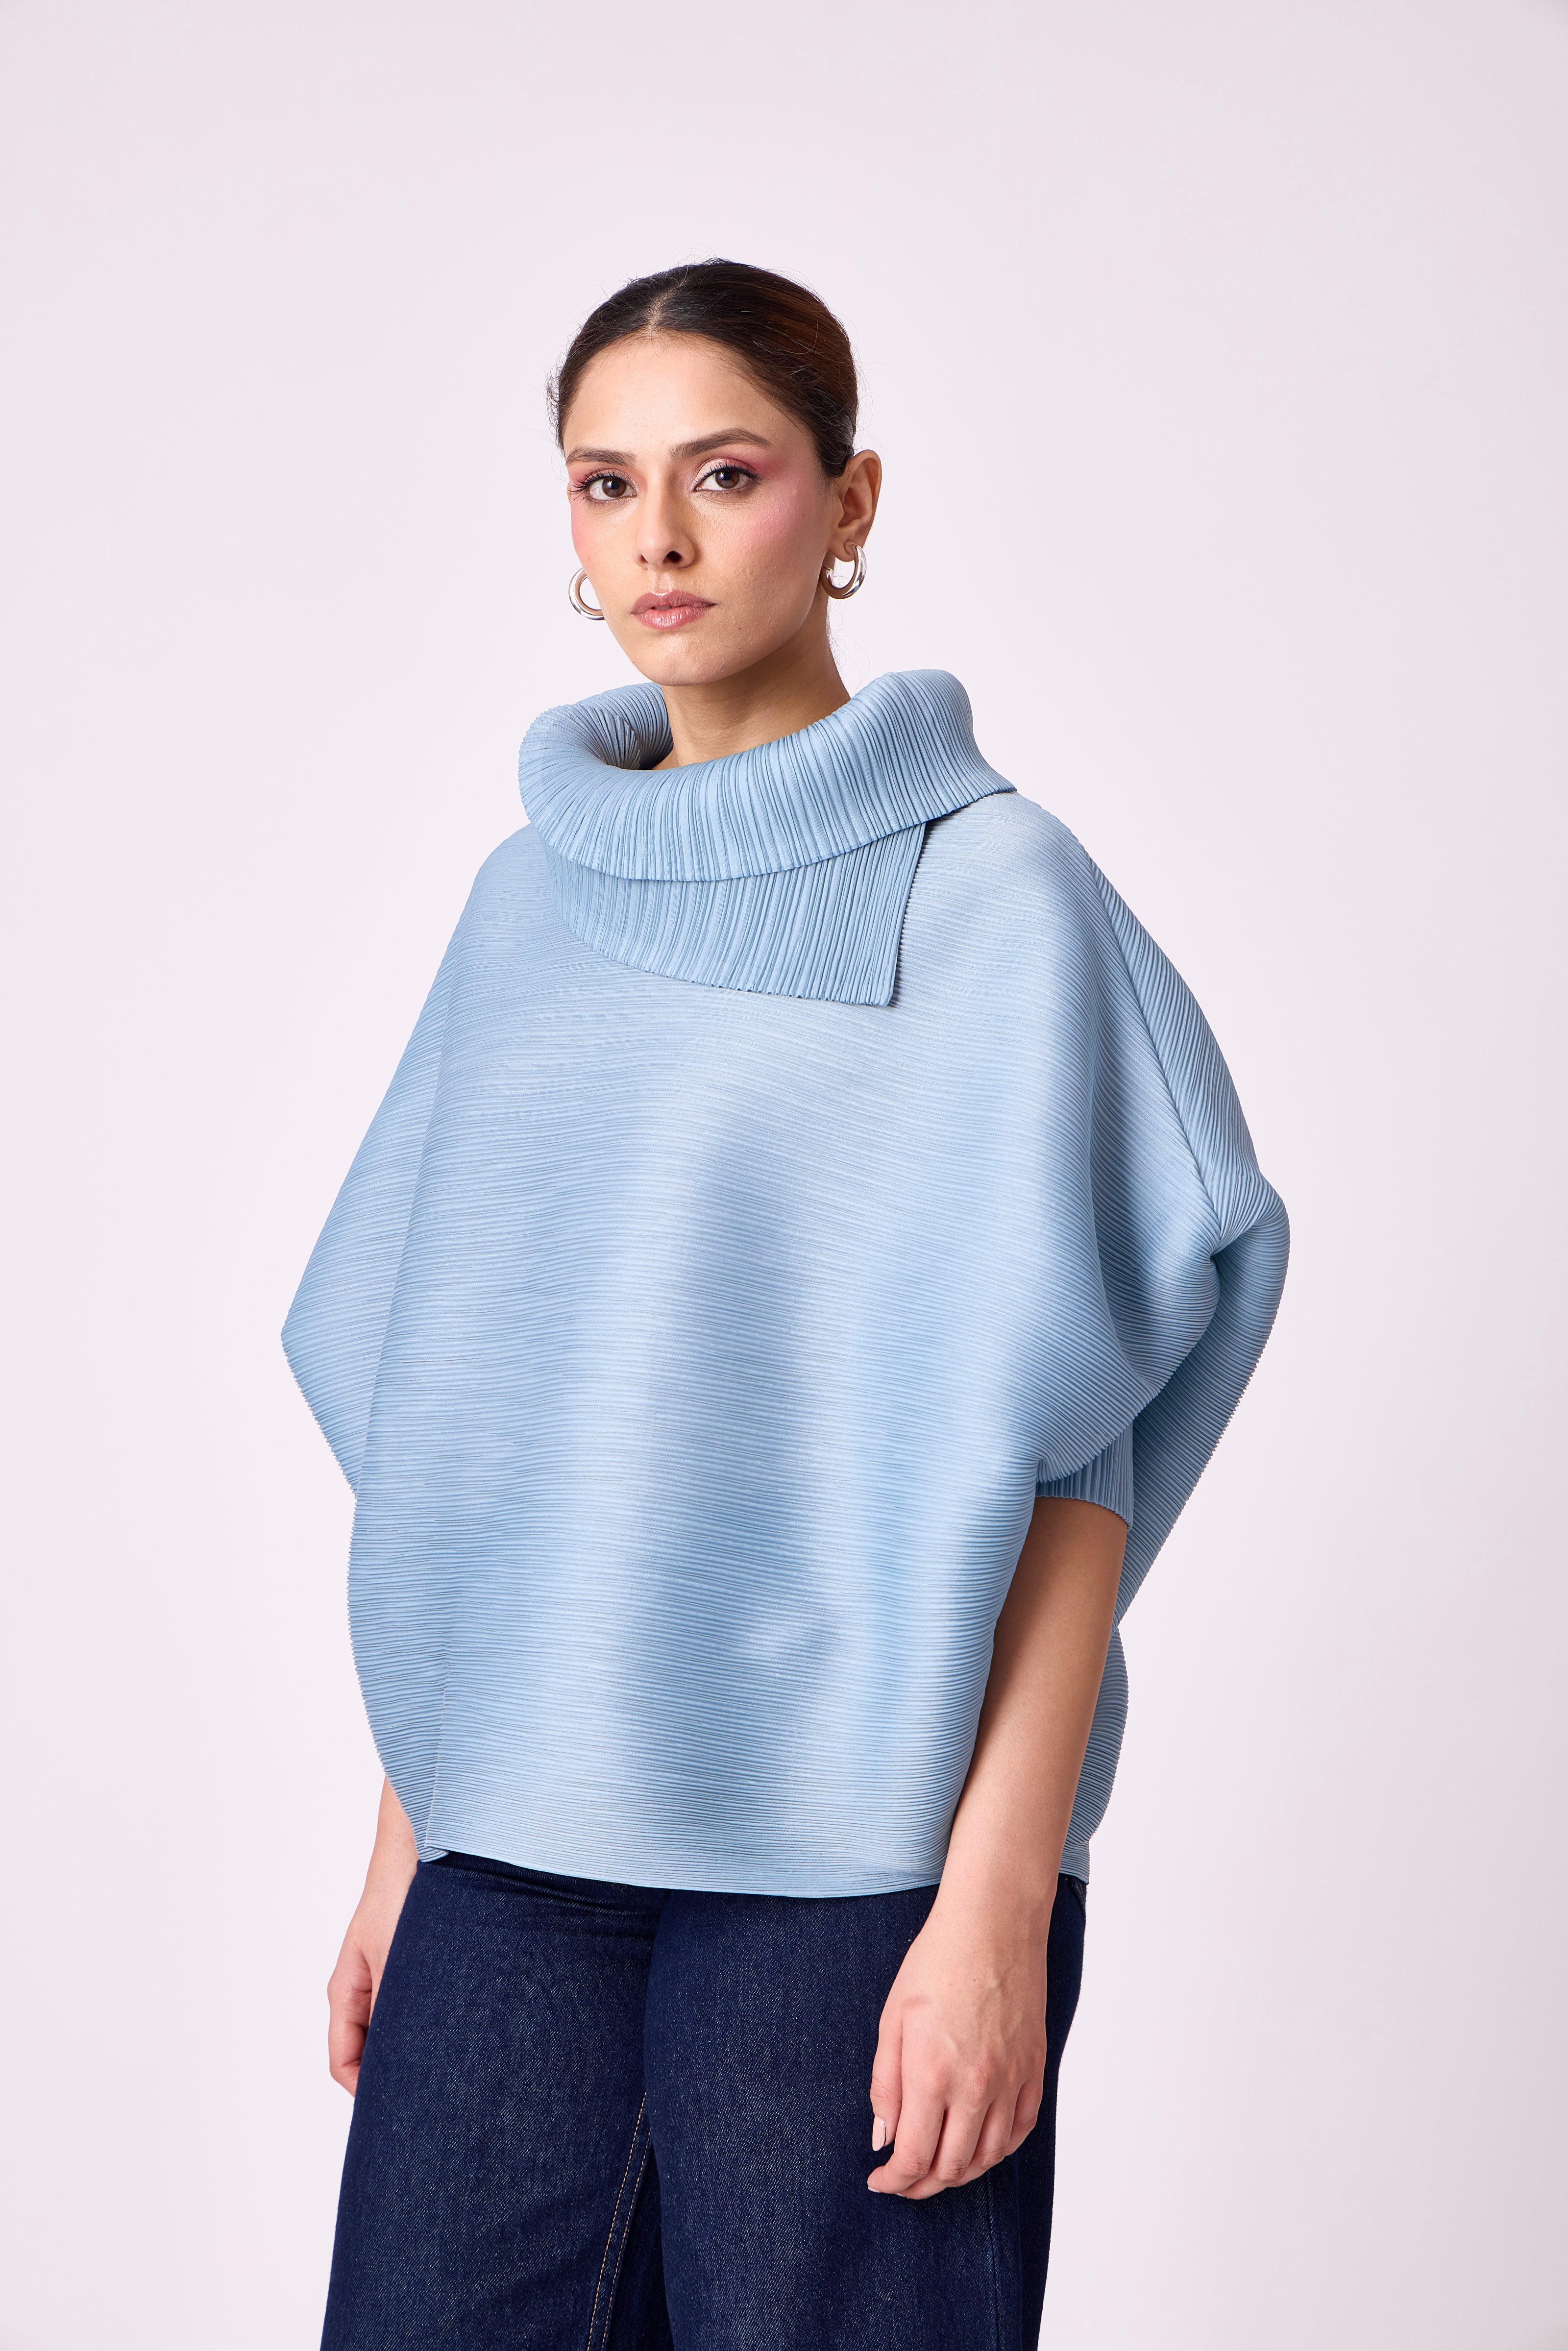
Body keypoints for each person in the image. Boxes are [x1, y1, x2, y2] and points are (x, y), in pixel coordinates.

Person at [283, 258, 1288, 2351]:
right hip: (509, 1867)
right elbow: (483, 1436)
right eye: (605, 484)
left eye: (723, 474)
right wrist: (409, 1833)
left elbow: (1068, 1459)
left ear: (848, 502)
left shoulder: (996, 896)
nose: (656, 537)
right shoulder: (522, 905)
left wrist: (995, 1905)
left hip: (860, 1874)